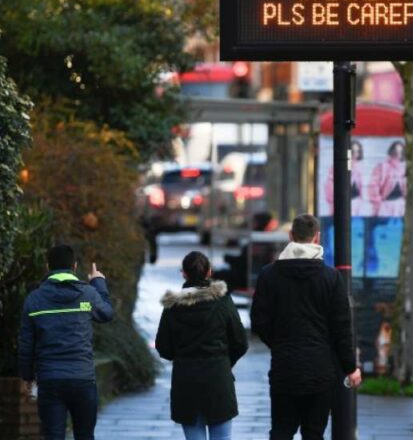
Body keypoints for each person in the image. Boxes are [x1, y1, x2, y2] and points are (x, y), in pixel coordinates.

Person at [250, 214, 361, 440]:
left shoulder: (269, 275)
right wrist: (350, 367)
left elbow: (259, 321)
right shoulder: (331, 277)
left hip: (284, 367)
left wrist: (279, 342)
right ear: (317, 238)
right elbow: (342, 328)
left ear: (291, 236)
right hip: (320, 369)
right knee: (313, 433)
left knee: (281, 430)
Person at [18, 244, 114, 440]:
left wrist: (27, 377)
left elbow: (26, 344)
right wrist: (98, 282)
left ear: (47, 267)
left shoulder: (34, 300)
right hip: (82, 378)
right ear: (74, 266)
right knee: (85, 435)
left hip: (49, 379)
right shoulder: (88, 295)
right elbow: (107, 313)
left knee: (53, 436)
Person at [156, 251, 249, 440]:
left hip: (186, 380)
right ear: (209, 272)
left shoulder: (173, 307)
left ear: (184, 273)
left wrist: (181, 357)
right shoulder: (222, 301)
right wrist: (225, 362)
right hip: (218, 378)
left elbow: (163, 346)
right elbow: (240, 341)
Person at [326, 140, 371, 217]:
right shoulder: (337, 167)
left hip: (357, 203)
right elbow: (330, 187)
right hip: (342, 204)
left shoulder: (360, 167)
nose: (355, 154)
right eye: (353, 151)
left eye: (357, 151)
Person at [368, 141, 407, 218]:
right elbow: (373, 185)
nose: (397, 154)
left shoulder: (404, 168)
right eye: (395, 151)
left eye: (400, 152)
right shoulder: (382, 166)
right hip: (385, 205)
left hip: (401, 205)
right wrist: (378, 202)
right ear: (391, 151)